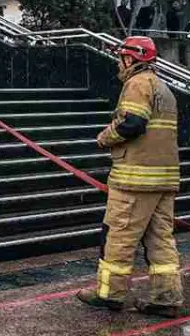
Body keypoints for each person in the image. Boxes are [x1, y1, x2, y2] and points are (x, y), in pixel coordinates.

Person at [77, 36, 183, 317]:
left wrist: (105, 137)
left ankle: (109, 293)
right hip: (164, 179)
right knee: (160, 240)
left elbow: (132, 124)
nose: (118, 63)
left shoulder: (137, 84)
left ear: (131, 59)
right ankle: (166, 297)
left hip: (135, 180)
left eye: (121, 57)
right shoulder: (163, 88)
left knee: (119, 236)